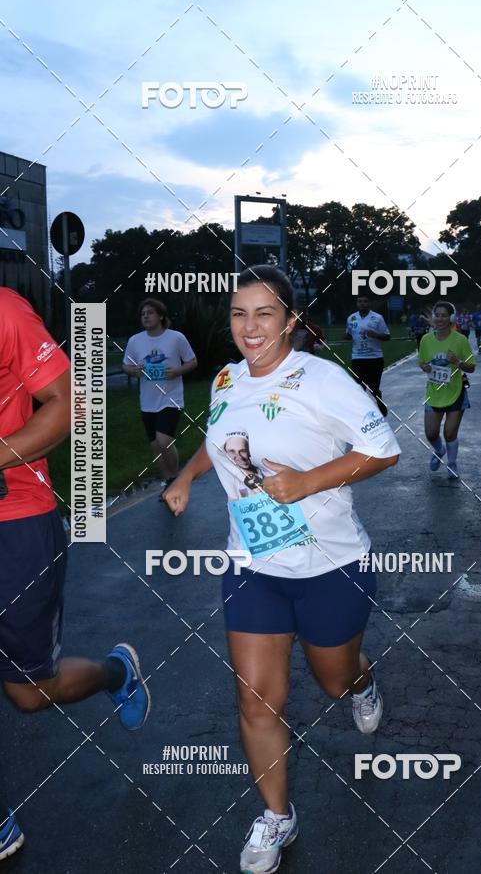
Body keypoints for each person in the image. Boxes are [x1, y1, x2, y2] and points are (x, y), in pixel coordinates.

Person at [164, 266, 400, 874]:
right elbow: (221, 438)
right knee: (256, 701)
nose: (250, 326)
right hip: (253, 564)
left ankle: (362, 679)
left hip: (330, 563)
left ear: (290, 320)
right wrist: (188, 477)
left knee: (333, 680)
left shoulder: (325, 381)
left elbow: (384, 448)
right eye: (240, 314)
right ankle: (277, 815)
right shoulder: (224, 378)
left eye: (264, 313)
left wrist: (307, 482)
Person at [0, 288, 150, 861]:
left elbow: (68, 403)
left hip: (15, 522)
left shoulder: (7, 313)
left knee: (30, 693)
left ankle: (117, 672)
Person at [122, 299, 197, 492]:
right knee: (156, 446)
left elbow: (192, 361)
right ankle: (168, 481)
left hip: (171, 398)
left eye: (150, 313)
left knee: (164, 441)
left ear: (161, 316)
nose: (146, 316)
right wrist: (134, 371)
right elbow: (126, 365)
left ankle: (174, 478)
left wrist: (177, 371)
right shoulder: (135, 341)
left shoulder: (176, 338)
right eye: (143, 314)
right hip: (147, 401)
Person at [418, 300, 476, 480]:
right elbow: (422, 362)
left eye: (444, 315)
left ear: (451, 318)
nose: (440, 319)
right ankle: (439, 450)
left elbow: (471, 367)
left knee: (450, 433)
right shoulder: (426, 340)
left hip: (455, 392)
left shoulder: (460, 340)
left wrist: (457, 362)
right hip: (434, 393)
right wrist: (425, 367)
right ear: (433, 317)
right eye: (438, 315)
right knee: (431, 433)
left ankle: (452, 464)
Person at [345, 295, 391, 416]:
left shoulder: (377, 318)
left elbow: (387, 336)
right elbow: (349, 334)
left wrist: (376, 334)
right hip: (357, 358)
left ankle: (379, 399)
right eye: (360, 301)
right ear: (357, 303)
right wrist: (346, 336)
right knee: (359, 387)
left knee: (373, 387)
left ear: (369, 303)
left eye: (365, 301)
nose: (362, 304)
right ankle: (361, 412)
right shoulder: (351, 318)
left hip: (375, 358)